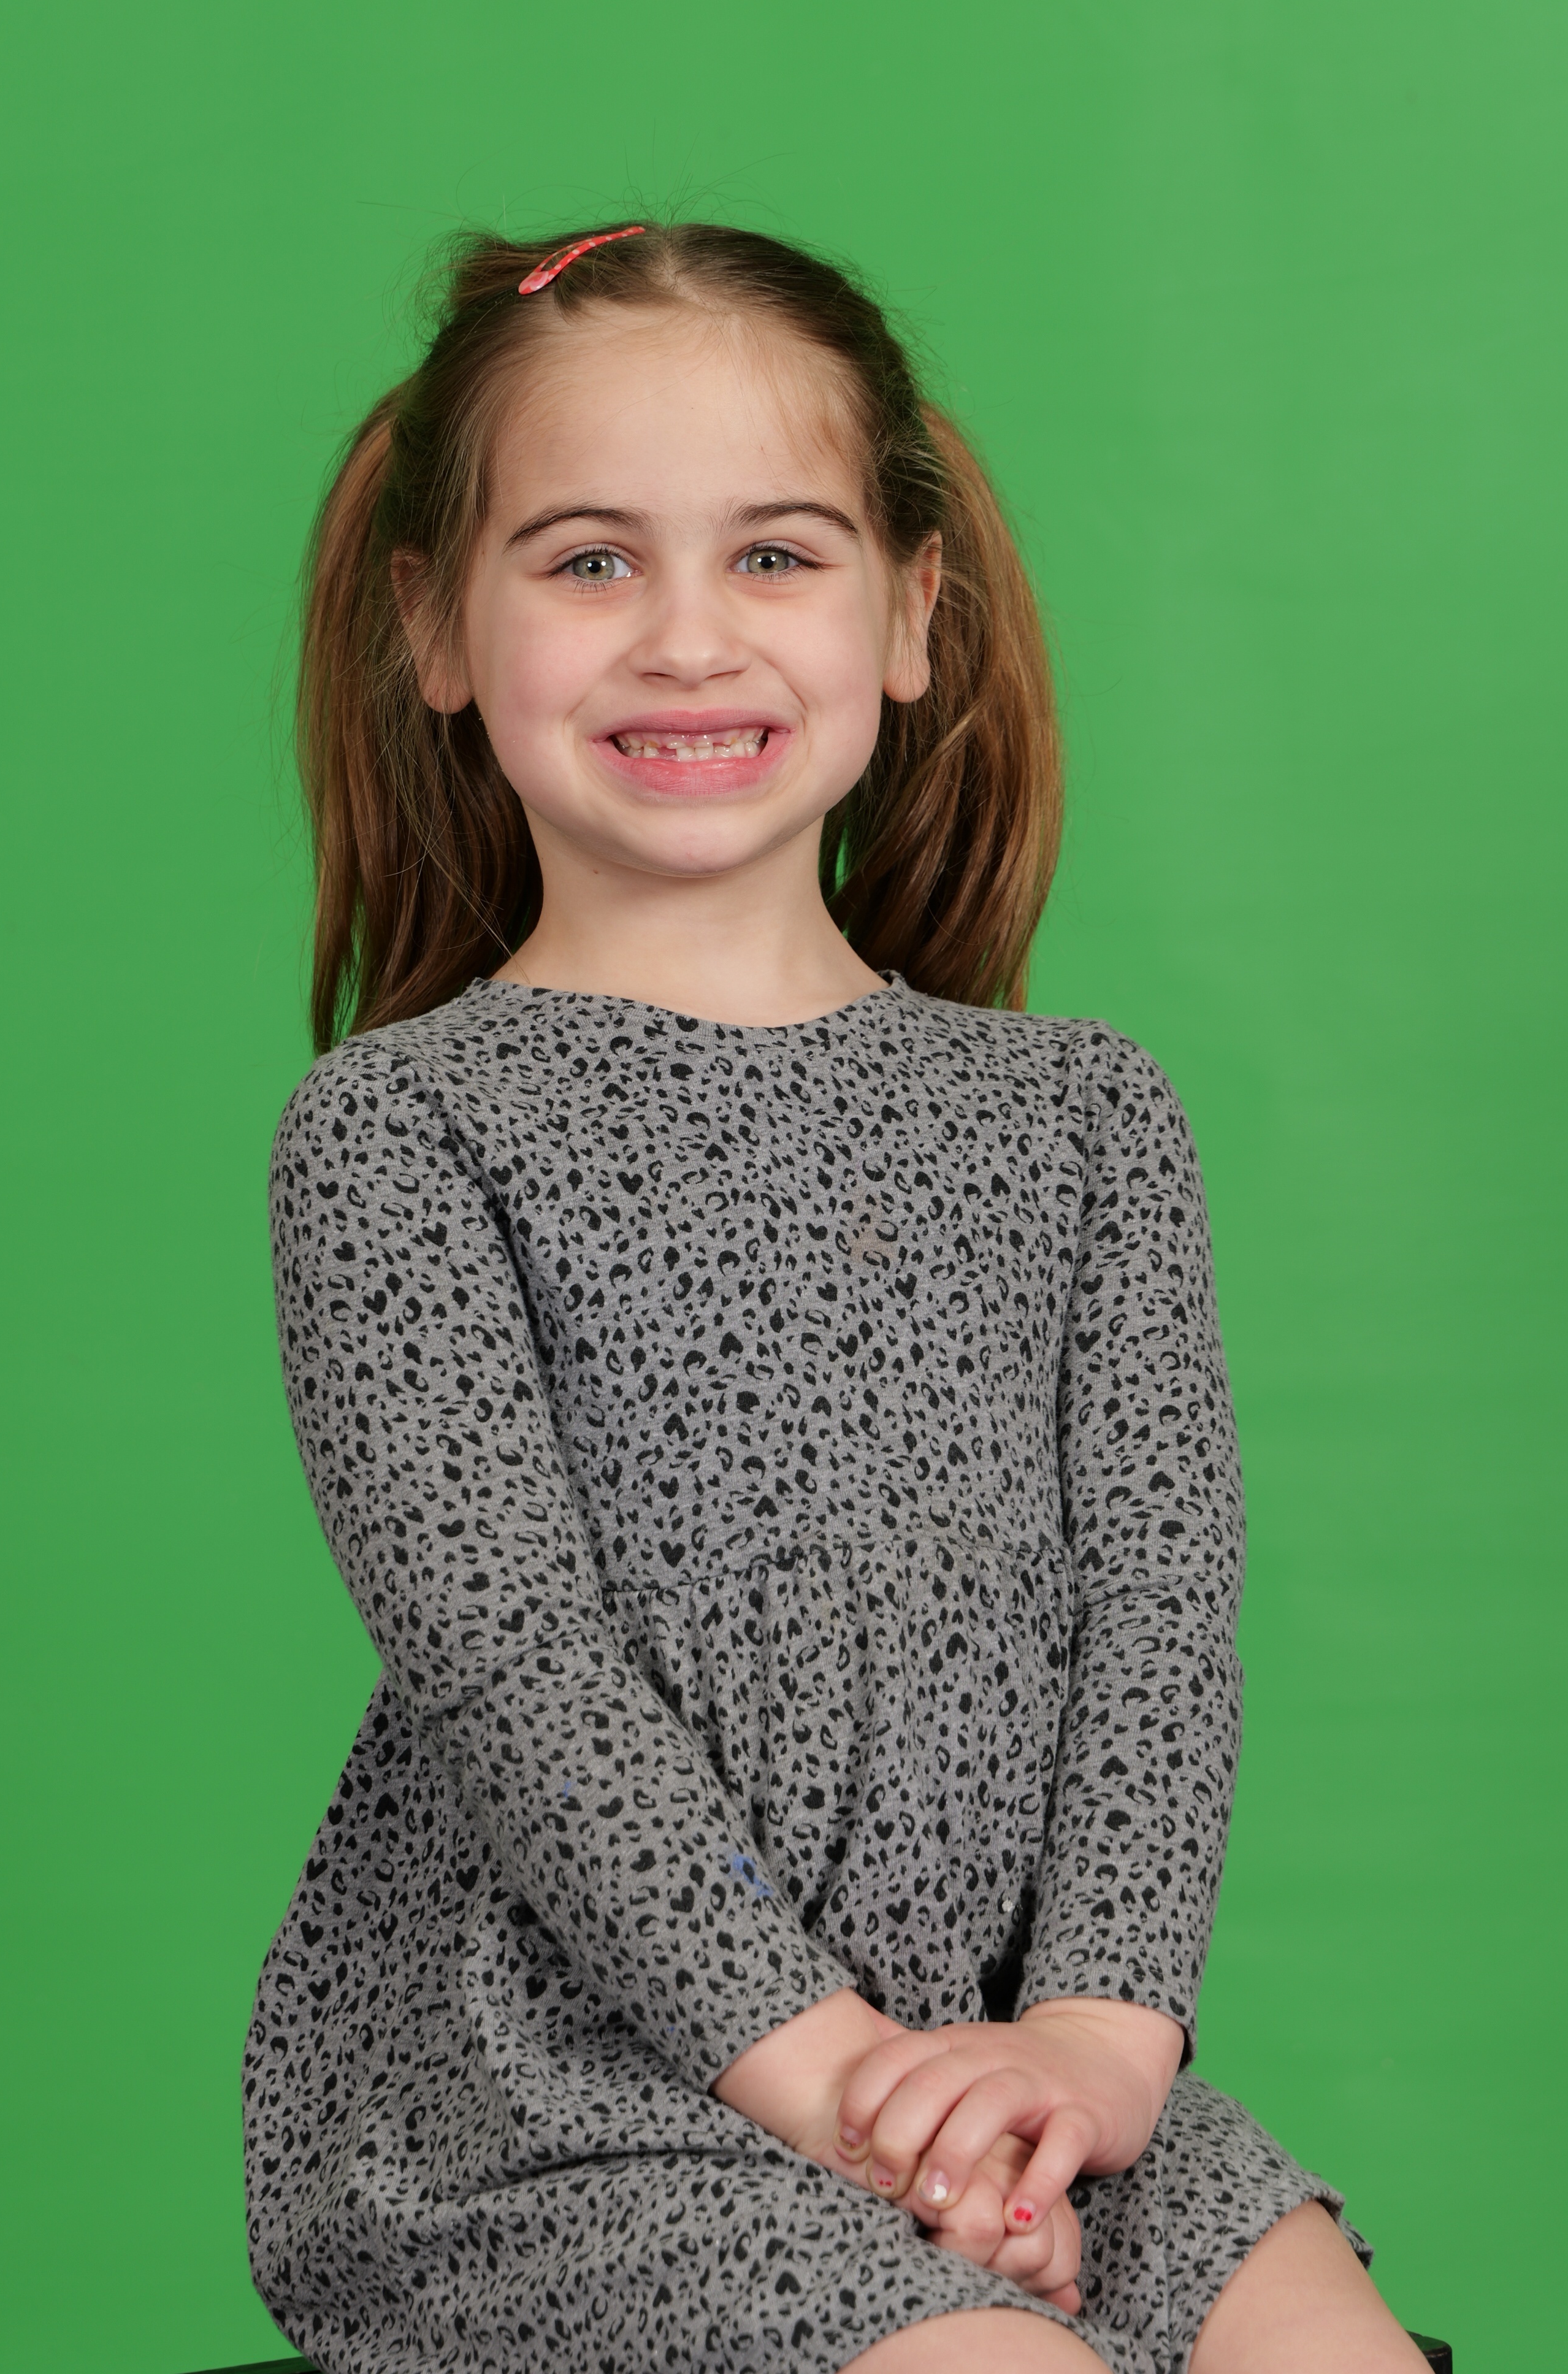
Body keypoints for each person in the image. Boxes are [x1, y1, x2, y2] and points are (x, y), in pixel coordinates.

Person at [244, 221, 1423, 2373]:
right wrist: (848, 2100)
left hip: (1006, 2067)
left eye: (775, 555)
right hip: (572, 2112)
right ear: (435, 627)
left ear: (907, 614)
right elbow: (517, 1679)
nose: (687, 637)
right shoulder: (404, 1134)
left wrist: (1092, 2051)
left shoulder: (1083, 1120)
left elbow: (1163, 1621)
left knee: (1326, 2351)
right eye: (590, 561)